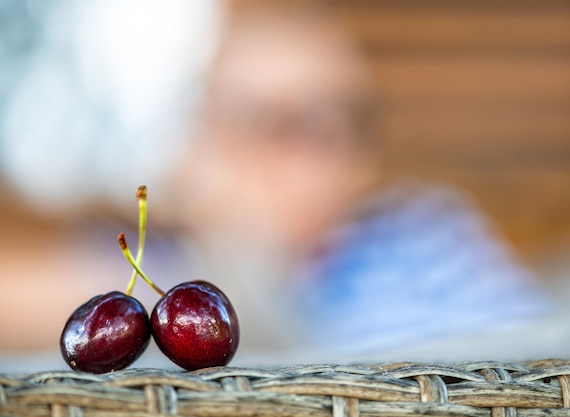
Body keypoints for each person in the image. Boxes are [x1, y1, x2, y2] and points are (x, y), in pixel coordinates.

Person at [161, 5, 550, 359]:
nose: (287, 156)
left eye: (320, 122)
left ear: (361, 155)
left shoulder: (425, 241)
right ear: (199, 141)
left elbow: (533, 367)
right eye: (252, 119)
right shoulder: (160, 270)